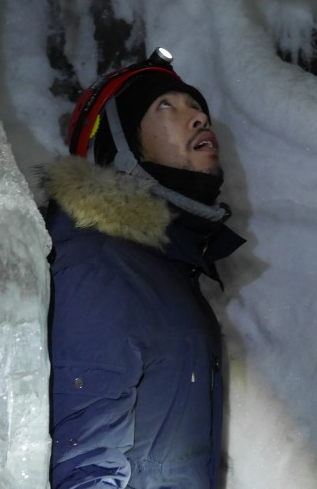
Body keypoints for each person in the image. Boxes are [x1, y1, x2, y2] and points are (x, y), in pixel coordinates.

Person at [43, 47, 246, 488]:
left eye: (197, 107)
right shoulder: (100, 262)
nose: (198, 118)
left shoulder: (166, 269)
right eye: (167, 106)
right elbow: (84, 466)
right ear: (121, 147)